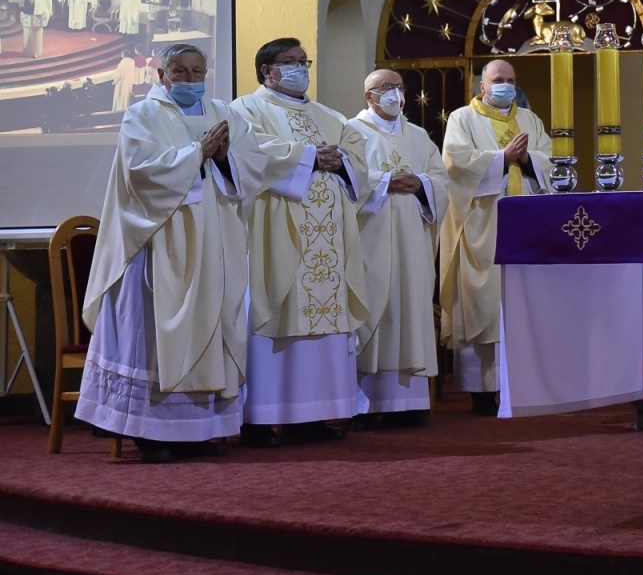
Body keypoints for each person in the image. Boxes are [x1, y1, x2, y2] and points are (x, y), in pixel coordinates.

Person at [75, 43, 276, 462]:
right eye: (180, 72)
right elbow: (140, 173)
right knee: (155, 337)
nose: (189, 79)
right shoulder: (142, 115)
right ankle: (151, 432)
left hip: (214, 240)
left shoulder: (224, 112)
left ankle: (203, 428)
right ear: (162, 76)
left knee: (212, 322)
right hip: (159, 243)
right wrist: (196, 154)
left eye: (197, 71)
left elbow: (254, 164)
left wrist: (224, 158)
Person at [231, 38, 370, 445]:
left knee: (325, 321)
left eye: (302, 61)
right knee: (277, 311)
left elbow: (358, 159)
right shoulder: (245, 110)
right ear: (266, 70)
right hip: (277, 232)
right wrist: (308, 156)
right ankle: (261, 417)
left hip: (329, 237)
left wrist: (341, 160)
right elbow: (248, 153)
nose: (299, 68)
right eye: (288, 62)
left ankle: (316, 413)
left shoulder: (330, 116)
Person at [440, 59, 553, 416]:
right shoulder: (463, 119)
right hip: (482, 225)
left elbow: (551, 159)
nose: (505, 85)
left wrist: (529, 160)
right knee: (484, 303)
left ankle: (524, 382)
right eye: (497, 80)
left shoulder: (530, 120)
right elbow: (455, 164)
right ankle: (482, 390)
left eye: (511, 80)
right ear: (482, 86)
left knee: (523, 303)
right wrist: (502, 159)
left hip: (526, 224)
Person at [350, 69, 447, 426]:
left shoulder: (419, 136)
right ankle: (369, 405)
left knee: (411, 307)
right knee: (376, 308)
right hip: (371, 239)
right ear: (368, 96)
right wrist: (384, 182)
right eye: (384, 88)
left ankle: (410, 403)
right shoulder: (352, 132)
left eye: (398, 87)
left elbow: (442, 181)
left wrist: (421, 184)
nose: (393, 94)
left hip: (412, 242)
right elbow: (350, 179)